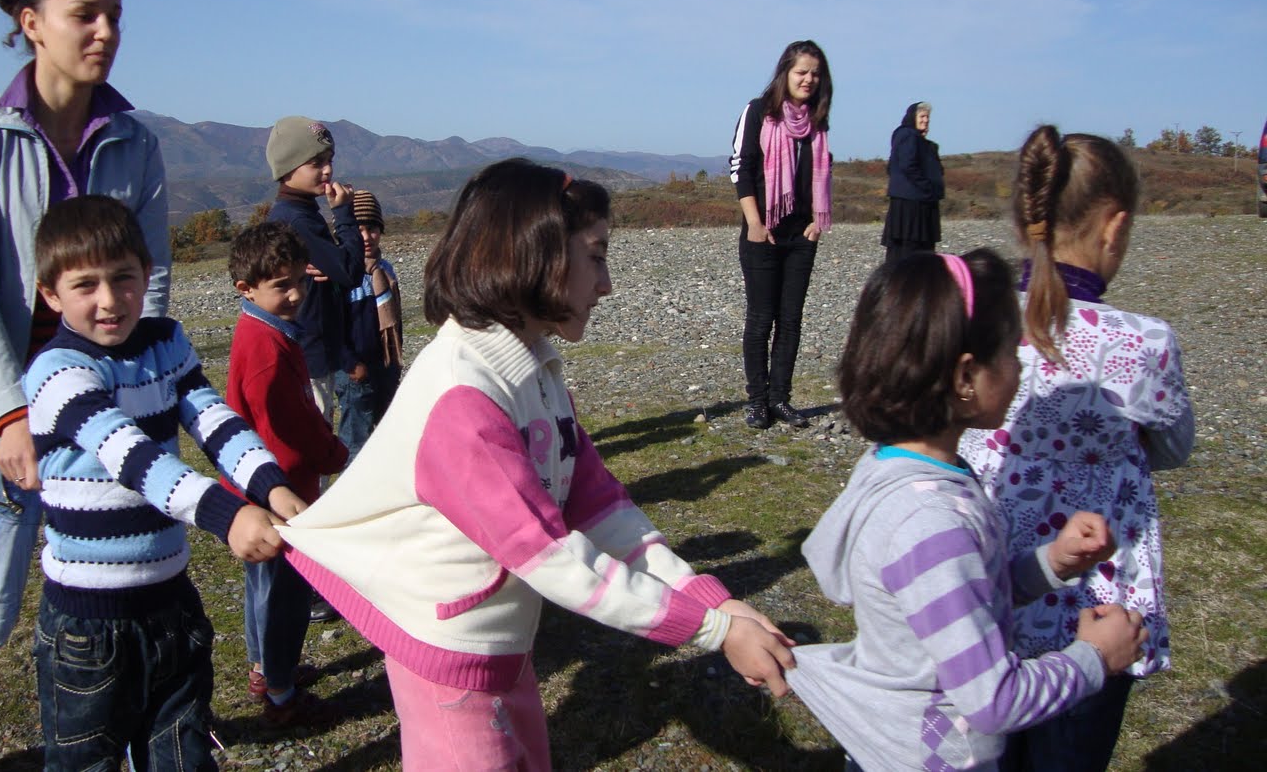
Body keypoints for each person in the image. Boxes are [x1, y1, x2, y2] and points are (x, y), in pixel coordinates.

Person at [277, 160, 796, 770]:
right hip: (449, 660)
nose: (607, 285)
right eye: (596, 257)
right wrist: (711, 631)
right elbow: (553, 558)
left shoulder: (532, 364)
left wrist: (715, 603)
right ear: (534, 257)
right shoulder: (462, 394)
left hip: (500, 649)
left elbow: (597, 503)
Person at [0, 0, 171, 772]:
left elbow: (152, 275)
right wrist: (11, 413)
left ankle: (116, 740)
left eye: (115, 16)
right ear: (31, 24)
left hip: (102, 414)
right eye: (85, 14)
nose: (106, 31)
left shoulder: (135, 141)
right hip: (2, 413)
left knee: (113, 594)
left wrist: (143, 394)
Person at [788, 249, 1149, 772]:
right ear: (964, 377)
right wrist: (1094, 658)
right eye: (1012, 352)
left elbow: (963, 600)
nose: (1019, 368)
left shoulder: (897, 469)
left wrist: (1052, 562)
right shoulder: (931, 522)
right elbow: (993, 701)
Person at [22, 197, 305, 770]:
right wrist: (228, 514)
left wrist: (272, 488)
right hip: (88, 627)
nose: (109, 300)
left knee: (181, 753)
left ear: (147, 274)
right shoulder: (55, 372)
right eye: (85, 285)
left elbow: (214, 421)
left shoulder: (165, 342)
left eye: (123, 277)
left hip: (171, 604)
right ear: (50, 295)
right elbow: (132, 456)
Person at [960, 127, 1195, 772]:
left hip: (982, 581)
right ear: (1115, 228)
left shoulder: (977, 320)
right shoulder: (1146, 342)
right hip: (1097, 599)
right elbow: (1174, 447)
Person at [225, 221, 350, 723]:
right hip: (280, 492)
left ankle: (265, 667)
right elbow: (288, 430)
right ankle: (280, 692)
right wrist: (333, 455)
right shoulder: (266, 349)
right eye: (282, 285)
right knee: (285, 594)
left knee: (262, 586)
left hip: (260, 490)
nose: (296, 293)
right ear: (247, 289)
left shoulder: (268, 332)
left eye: (301, 280)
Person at [729, 39, 835, 430]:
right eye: (801, 72)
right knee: (761, 319)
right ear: (785, 73)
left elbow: (824, 172)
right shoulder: (758, 111)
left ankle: (780, 398)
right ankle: (757, 401)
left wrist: (817, 223)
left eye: (815, 74)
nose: (808, 80)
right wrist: (755, 224)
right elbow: (740, 168)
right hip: (763, 234)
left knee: (790, 320)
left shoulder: (817, 121)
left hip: (801, 237)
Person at [265, 116, 367, 421]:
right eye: (316, 163)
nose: (327, 170)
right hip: (310, 353)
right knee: (315, 430)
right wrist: (344, 214)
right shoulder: (298, 221)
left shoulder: (299, 213)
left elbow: (338, 269)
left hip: (312, 349)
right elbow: (350, 271)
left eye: (329, 160)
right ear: (288, 167)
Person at [335, 189, 404, 455]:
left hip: (384, 365)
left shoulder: (385, 270)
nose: (365, 237)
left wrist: (394, 360)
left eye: (372, 229)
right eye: (358, 229)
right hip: (355, 371)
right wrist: (350, 363)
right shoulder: (340, 274)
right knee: (357, 441)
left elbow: (394, 319)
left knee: (388, 435)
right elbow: (332, 325)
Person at [881, 101, 945, 264]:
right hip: (912, 204)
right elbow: (907, 165)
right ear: (912, 117)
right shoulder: (907, 135)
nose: (926, 120)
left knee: (917, 251)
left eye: (928, 117)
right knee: (909, 249)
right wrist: (927, 187)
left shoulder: (917, 139)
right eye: (922, 116)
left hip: (919, 202)